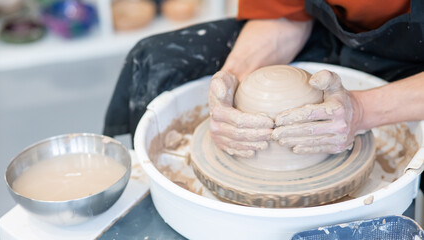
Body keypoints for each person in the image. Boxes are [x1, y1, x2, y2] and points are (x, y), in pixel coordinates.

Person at [104, 0, 424, 159]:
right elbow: (284, 13)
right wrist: (232, 81)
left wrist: (361, 111)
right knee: (159, 61)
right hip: (333, 35)